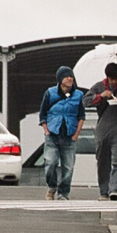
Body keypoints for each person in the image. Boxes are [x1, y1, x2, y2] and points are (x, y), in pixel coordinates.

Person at [83, 62, 117, 200]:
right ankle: (104, 191)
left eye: (116, 79)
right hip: (103, 128)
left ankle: (114, 189)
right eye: (111, 79)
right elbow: (85, 101)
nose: (114, 82)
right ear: (107, 77)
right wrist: (100, 96)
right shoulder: (98, 87)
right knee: (103, 161)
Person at [38, 66, 85, 200]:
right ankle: (52, 187)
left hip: (69, 135)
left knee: (68, 167)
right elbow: (42, 114)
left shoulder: (78, 95)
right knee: (50, 163)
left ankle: (63, 193)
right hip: (52, 134)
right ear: (60, 79)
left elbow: (81, 116)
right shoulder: (50, 93)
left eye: (71, 76)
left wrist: (76, 134)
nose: (69, 79)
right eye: (66, 76)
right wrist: (46, 130)